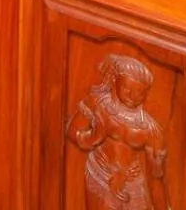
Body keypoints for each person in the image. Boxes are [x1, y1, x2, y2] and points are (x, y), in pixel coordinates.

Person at [66, 54, 170, 210]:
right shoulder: (97, 103)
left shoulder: (149, 129)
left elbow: (156, 177)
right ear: (115, 80)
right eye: (127, 89)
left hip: (132, 184)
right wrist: (92, 137)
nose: (134, 97)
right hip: (100, 175)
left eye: (141, 93)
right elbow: (72, 130)